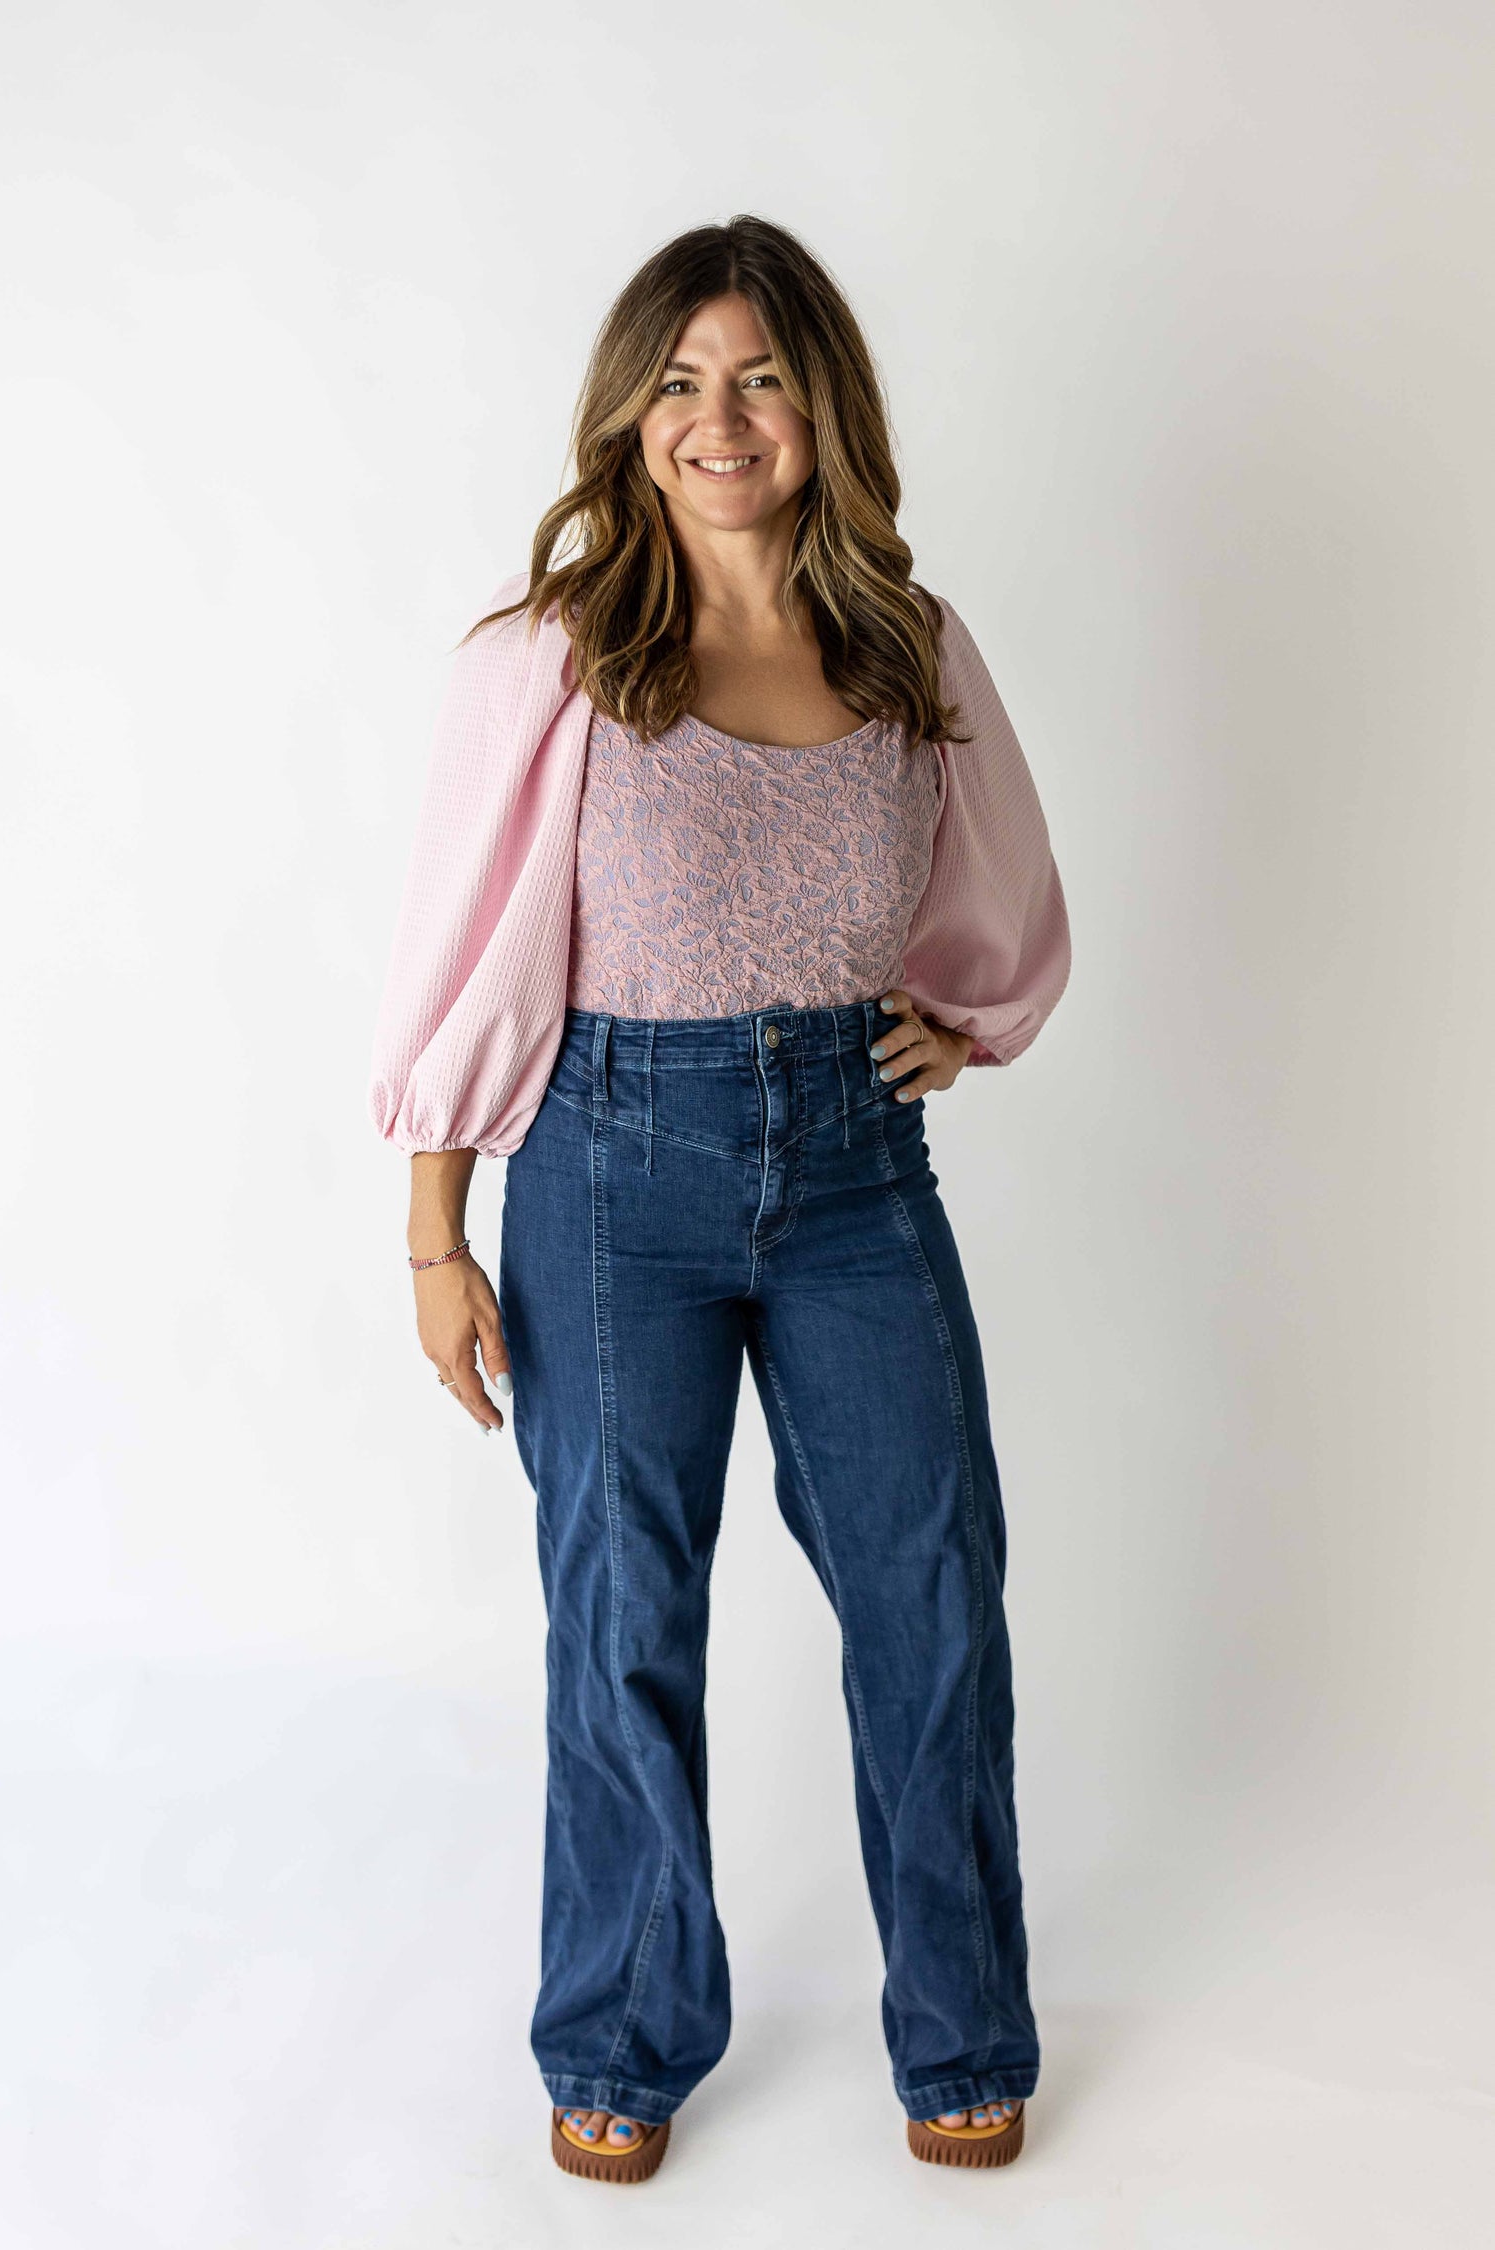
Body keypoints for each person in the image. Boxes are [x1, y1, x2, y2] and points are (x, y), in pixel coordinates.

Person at [367, 214, 1072, 2183]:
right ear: (629, 412)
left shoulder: (906, 647)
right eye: (678, 380)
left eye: (759, 375)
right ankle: (620, 2029)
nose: (720, 417)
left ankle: (961, 2034)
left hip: (857, 1174)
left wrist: (962, 1016)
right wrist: (434, 1236)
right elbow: (469, 949)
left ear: (820, 399)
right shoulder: (558, 659)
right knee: (620, 1621)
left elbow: (994, 877)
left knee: (931, 1608)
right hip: (613, 1175)